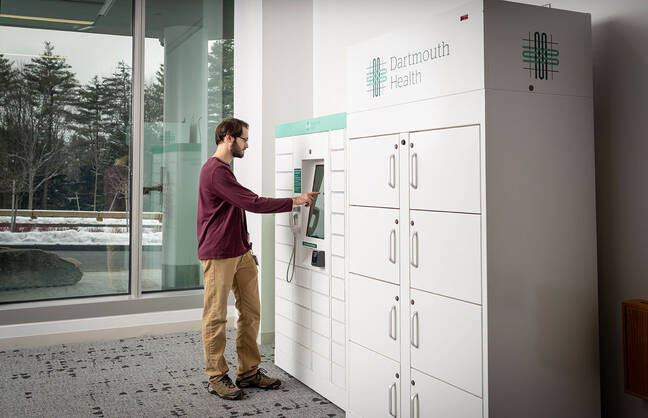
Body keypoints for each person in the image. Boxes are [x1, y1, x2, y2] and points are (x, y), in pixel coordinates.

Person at [197, 117, 317, 400]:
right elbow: (252, 203)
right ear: (228, 137)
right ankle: (217, 377)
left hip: (240, 252)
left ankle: (248, 372)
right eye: (244, 139)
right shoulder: (214, 171)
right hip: (219, 254)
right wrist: (294, 201)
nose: (247, 145)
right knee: (215, 317)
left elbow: (233, 210)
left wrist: (245, 240)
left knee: (251, 312)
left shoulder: (225, 170)